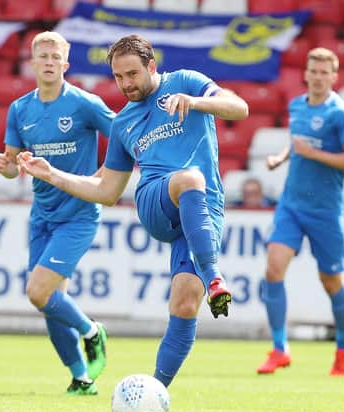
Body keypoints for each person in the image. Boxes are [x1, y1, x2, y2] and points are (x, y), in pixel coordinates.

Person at [17, 34, 249, 388]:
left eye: (132, 75)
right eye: (119, 77)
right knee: (188, 178)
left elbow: (240, 108)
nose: (126, 84)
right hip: (156, 201)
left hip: (204, 208)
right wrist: (53, 174)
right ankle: (215, 277)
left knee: (186, 304)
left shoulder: (185, 82)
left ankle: (153, 393)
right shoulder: (124, 122)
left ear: (151, 66)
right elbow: (107, 190)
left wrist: (197, 102)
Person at [0, 31, 113, 396]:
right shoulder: (20, 109)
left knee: (37, 291)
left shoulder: (84, 103)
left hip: (78, 214)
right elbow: (15, 165)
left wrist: (104, 176)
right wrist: (7, 167)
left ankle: (92, 331)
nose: (48, 61)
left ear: (65, 63)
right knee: (49, 302)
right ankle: (81, 377)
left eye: (54, 56)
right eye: (41, 55)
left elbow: (125, 136)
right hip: (41, 215)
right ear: (31, 62)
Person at [256, 47, 344, 376]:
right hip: (292, 204)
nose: (317, 77)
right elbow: (299, 141)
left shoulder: (340, 114)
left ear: (333, 77)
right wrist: (283, 156)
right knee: (273, 271)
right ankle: (279, 348)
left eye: (323, 73)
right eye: (312, 71)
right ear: (305, 73)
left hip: (325, 211)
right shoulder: (296, 106)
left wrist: (310, 154)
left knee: (330, 281)